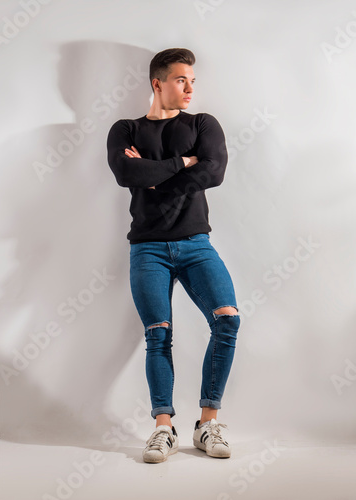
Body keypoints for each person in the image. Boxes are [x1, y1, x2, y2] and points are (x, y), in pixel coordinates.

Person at [107, 47, 241, 463]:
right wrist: (183, 161)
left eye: (192, 81)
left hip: (195, 243)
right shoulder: (125, 129)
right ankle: (163, 427)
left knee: (228, 320)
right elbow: (126, 174)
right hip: (147, 247)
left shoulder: (203, 123)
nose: (189, 88)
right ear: (157, 82)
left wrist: (154, 177)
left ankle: (207, 423)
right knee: (158, 335)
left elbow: (214, 171)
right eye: (181, 79)